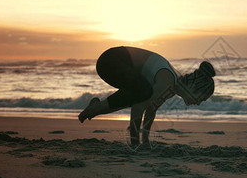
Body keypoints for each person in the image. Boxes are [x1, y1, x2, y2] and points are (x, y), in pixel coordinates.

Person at [78, 46, 216, 145]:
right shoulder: (168, 81)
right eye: (201, 99)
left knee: (138, 94)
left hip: (116, 63)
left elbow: (151, 110)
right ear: (193, 87)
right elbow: (139, 108)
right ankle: (98, 108)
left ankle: (95, 107)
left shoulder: (172, 86)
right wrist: (135, 143)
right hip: (111, 60)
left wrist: (145, 140)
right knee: (141, 93)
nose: (198, 103)